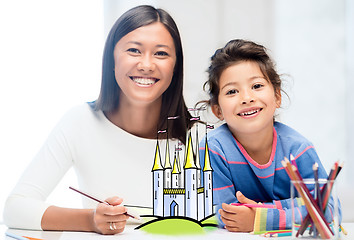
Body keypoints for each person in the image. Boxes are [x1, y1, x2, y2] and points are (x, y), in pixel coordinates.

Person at [4, 5, 195, 235]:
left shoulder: (201, 134)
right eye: (134, 50)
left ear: (176, 66)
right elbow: (15, 208)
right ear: (111, 59)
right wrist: (91, 220)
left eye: (161, 53)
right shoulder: (80, 122)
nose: (146, 65)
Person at [199, 39, 341, 233]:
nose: (247, 98)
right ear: (218, 110)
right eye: (232, 91)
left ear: (277, 96)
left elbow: (327, 209)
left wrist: (261, 217)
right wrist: (294, 206)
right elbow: (223, 213)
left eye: (257, 86)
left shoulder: (298, 150)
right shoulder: (213, 148)